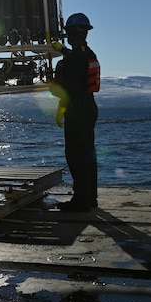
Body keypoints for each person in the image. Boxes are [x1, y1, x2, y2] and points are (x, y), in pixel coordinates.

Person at [51, 13, 100, 212]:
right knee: (88, 153)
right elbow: (75, 60)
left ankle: (81, 201)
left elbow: (69, 89)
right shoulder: (88, 53)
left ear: (71, 34)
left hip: (77, 109)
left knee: (75, 154)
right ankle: (90, 197)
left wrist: (60, 109)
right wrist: (61, 50)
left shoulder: (75, 58)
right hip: (89, 106)